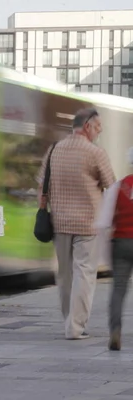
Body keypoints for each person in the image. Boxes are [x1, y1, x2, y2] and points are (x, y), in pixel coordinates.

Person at [35, 107, 115, 340]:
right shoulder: (95, 152)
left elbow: (42, 187)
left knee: (65, 275)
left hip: (59, 223)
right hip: (88, 224)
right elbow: (112, 185)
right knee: (84, 274)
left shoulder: (53, 150)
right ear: (88, 126)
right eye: (98, 127)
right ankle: (75, 326)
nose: (99, 131)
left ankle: (70, 320)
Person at [95, 147, 133, 351]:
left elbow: (103, 222)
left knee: (118, 290)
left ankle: (115, 331)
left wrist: (105, 254)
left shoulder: (118, 187)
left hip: (121, 242)